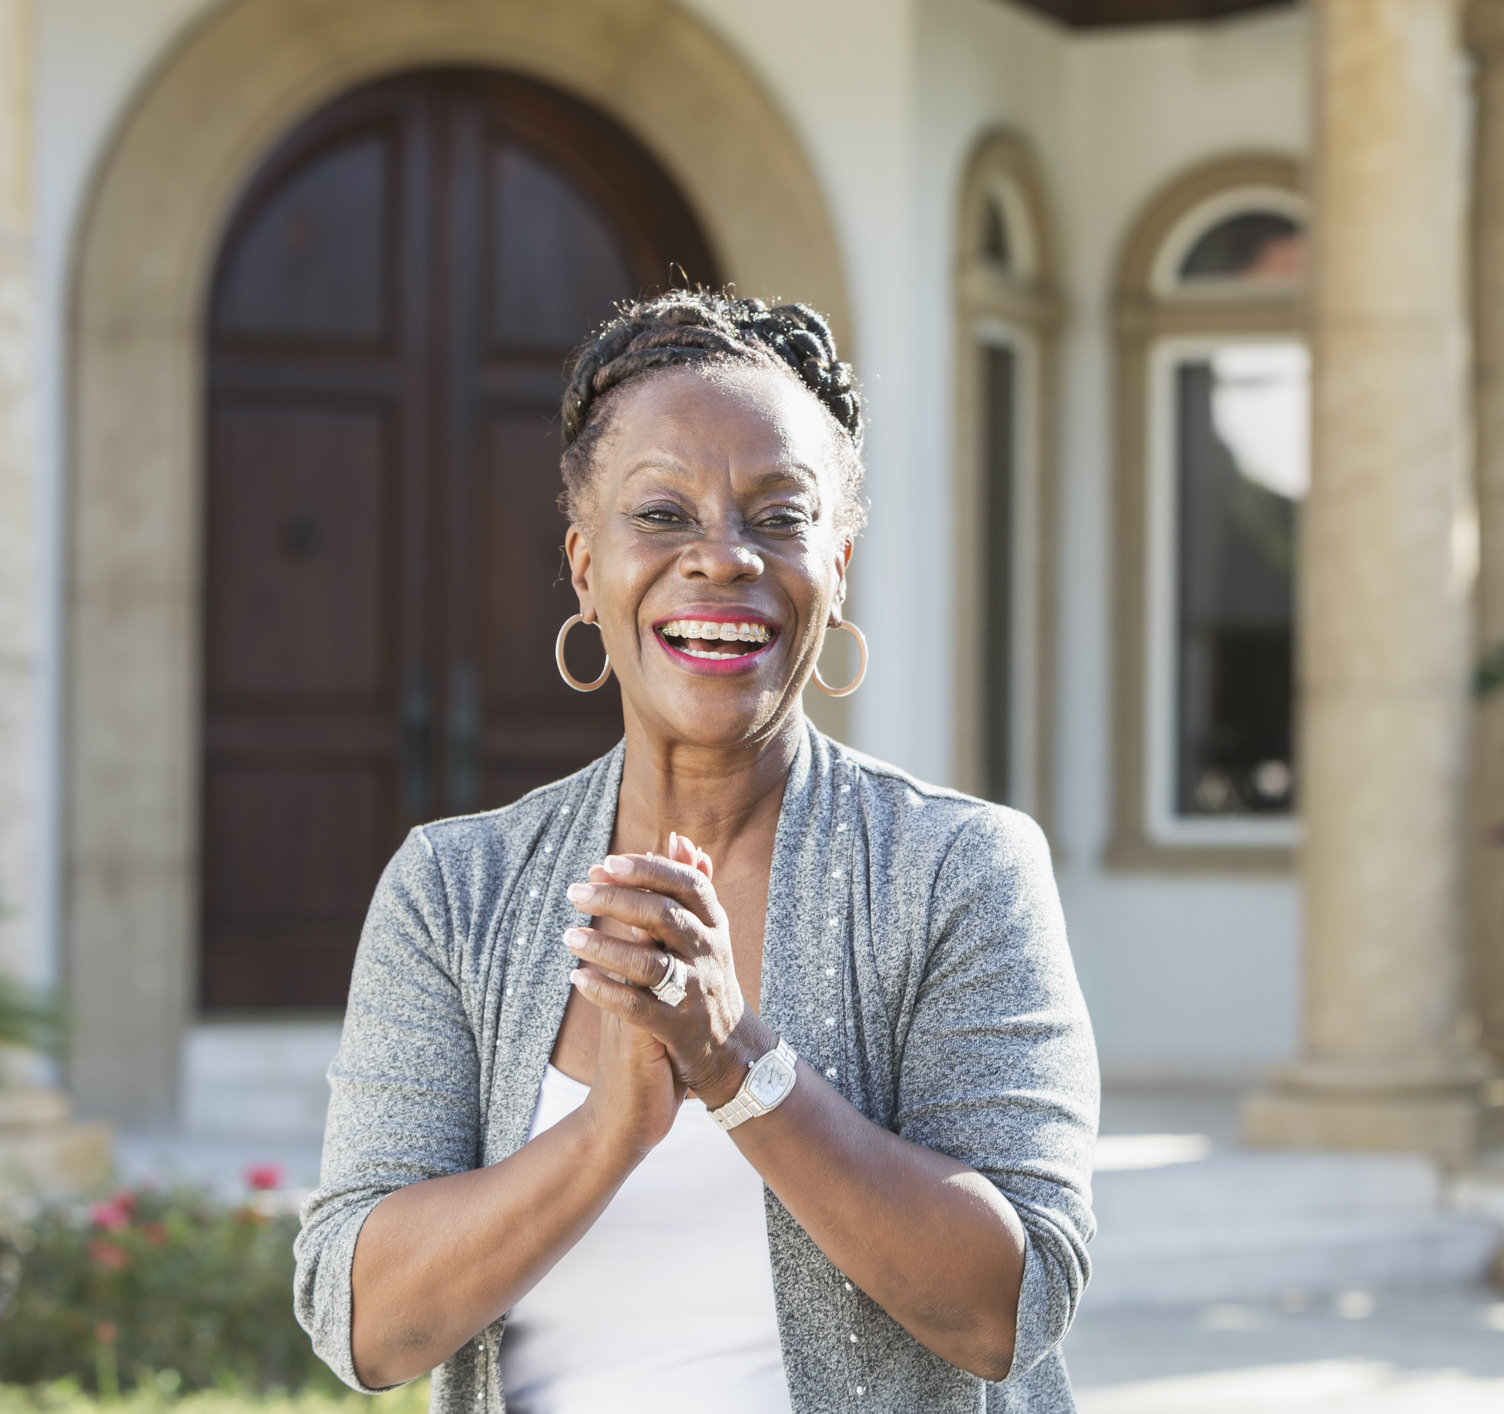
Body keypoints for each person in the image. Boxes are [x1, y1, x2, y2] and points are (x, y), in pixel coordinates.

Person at [293, 290, 1099, 1414]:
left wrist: (732, 1062)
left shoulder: (956, 870)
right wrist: (608, 1132)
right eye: (662, 515)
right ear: (585, 566)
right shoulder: (456, 890)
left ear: (840, 562)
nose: (723, 559)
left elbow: (1011, 1307)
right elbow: (365, 1323)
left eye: (779, 516)